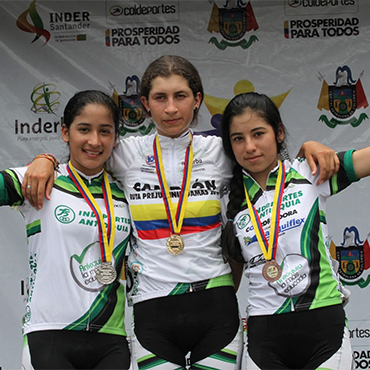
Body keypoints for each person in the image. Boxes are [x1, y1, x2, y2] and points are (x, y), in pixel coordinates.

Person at [22, 56, 339, 370]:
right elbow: (85, 154)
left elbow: (269, 163)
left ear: (197, 100)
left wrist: (309, 147)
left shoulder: (221, 151)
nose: (171, 108)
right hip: (153, 309)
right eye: (160, 98)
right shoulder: (124, 153)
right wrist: (45, 159)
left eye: (180, 96)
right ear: (146, 103)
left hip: (214, 304)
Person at [220, 91, 370, 369]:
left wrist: (314, 146)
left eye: (258, 134)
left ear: (278, 133)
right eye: (238, 139)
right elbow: (230, 279)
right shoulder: (233, 202)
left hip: (323, 324)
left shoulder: (309, 172)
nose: (249, 146)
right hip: (264, 332)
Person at [0, 90, 131, 369]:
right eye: (84, 129)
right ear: (64, 132)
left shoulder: (125, 189)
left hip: (111, 339)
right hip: (49, 335)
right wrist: (45, 159)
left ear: (116, 137)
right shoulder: (39, 177)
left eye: (105, 131)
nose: (94, 141)